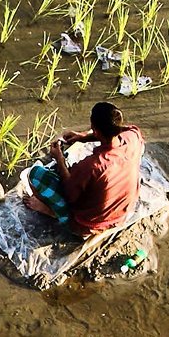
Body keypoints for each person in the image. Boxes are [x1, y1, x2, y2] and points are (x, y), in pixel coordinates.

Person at [25, 101, 145, 239]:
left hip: (87, 226)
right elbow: (126, 130)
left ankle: (50, 211)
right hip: (123, 215)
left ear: (96, 130)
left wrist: (59, 159)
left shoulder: (94, 166)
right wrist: (84, 138)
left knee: (35, 175)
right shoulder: (133, 138)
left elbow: (69, 193)